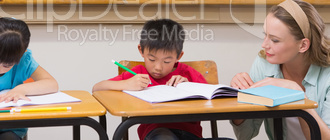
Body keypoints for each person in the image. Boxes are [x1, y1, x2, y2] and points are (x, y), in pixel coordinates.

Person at [93, 18, 232, 140]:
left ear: (179, 56)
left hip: (190, 135)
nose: (158, 67)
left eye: (166, 61)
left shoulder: (188, 74)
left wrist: (189, 86)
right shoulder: (137, 74)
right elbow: (97, 88)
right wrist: (126, 84)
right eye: (152, 59)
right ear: (141, 50)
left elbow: (214, 98)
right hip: (156, 133)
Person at [230, 0, 330, 140]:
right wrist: (238, 97)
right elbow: (246, 134)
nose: (264, 45)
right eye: (265, 35)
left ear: (303, 45)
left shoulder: (327, 74)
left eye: (275, 40)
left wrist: (299, 96)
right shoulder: (264, 64)